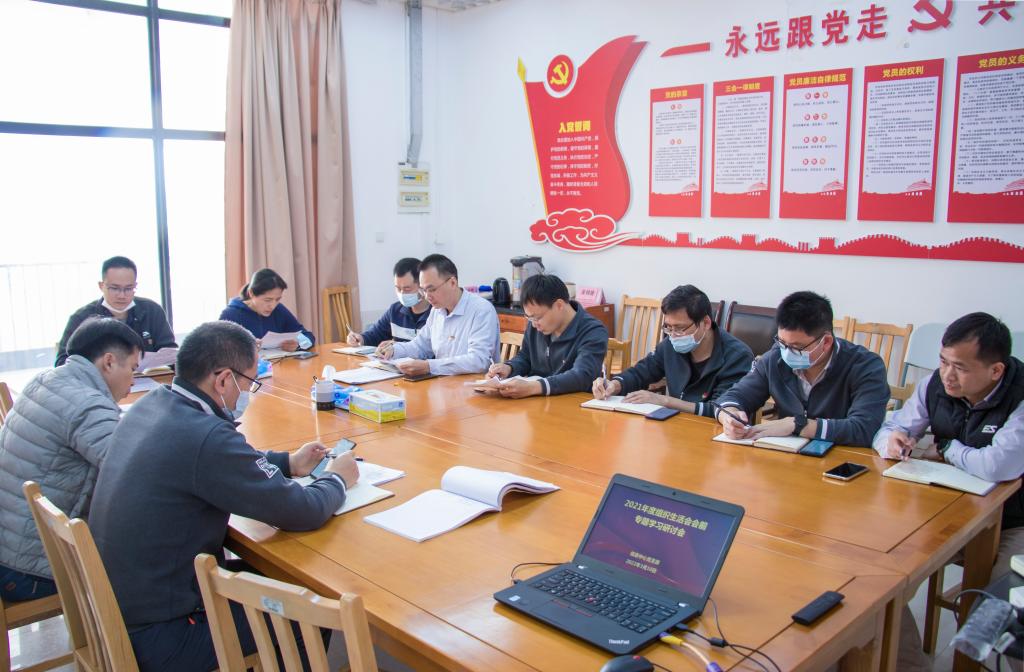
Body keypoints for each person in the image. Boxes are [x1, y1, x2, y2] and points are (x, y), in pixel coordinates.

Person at [88, 321, 358, 671]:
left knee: (288, 581)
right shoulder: (206, 436)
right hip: (166, 632)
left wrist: (287, 462)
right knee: (310, 609)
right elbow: (301, 510)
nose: (249, 392)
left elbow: (217, 462)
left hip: (126, 604)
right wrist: (336, 479)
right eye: (250, 382)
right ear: (223, 380)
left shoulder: (153, 403)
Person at [873, 313, 1023, 671]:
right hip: (942, 513)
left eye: (960, 367)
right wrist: (892, 441)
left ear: (996, 371)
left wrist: (947, 447)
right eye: (942, 362)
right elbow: (891, 427)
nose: (947, 375)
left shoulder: (1019, 396)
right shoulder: (935, 385)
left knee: (998, 611)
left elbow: (998, 466)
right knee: (881, 586)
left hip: (1013, 520)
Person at [0, 318, 142, 602]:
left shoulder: (47, 379)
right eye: (133, 368)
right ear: (109, 362)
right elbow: (134, 475)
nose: (133, 380)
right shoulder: (87, 405)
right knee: (157, 564)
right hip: (31, 570)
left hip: (11, 547)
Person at [715, 291, 889, 447]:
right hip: (786, 457)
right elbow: (732, 397)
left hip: (841, 459)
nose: (787, 352)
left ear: (826, 342)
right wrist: (729, 416)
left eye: (797, 347)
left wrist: (798, 425)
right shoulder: (775, 358)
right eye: (782, 342)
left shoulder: (865, 366)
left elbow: (864, 429)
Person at [591, 285, 753, 416]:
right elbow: (641, 372)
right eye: (668, 327)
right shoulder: (671, 344)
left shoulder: (737, 356)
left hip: (715, 433)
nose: (673, 335)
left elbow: (721, 409)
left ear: (706, 323)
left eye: (680, 328)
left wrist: (664, 401)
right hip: (676, 426)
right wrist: (614, 384)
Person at [486, 274, 607, 398]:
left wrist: (533, 387)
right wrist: (509, 368)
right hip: (536, 402)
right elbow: (526, 357)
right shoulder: (536, 324)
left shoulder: (593, 331)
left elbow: (582, 375)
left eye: (537, 318)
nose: (534, 324)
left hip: (573, 403)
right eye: (529, 318)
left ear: (559, 305)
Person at [381, 254, 499, 376]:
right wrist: (394, 350)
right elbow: (420, 345)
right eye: (423, 290)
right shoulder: (437, 311)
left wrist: (429, 366)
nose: (427, 296)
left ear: (452, 283)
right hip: (442, 382)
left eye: (432, 289)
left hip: (473, 384)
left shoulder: (481, 310)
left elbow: (479, 361)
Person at [55, 256, 175, 366]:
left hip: (149, 379)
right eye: (114, 288)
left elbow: (170, 353)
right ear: (101, 286)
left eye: (128, 288)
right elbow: (62, 363)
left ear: (135, 285)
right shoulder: (82, 318)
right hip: (99, 382)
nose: (122, 295)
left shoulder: (152, 311)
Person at [219, 268, 315, 351]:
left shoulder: (278, 310)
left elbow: (308, 336)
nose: (272, 306)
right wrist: (246, 349)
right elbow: (218, 350)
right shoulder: (230, 315)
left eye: (277, 299)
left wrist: (298, 344)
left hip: (279, 365)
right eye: (267, 300)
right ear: (251, 293)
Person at [347, 257, 430, 349]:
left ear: (422, 286)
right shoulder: (395, 310)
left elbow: (432, 350)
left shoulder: (436, 314)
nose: (402, 293)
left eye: (407, 289)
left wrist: (398, 347)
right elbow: (375, 334)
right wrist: (360, 338)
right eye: (398, 288)